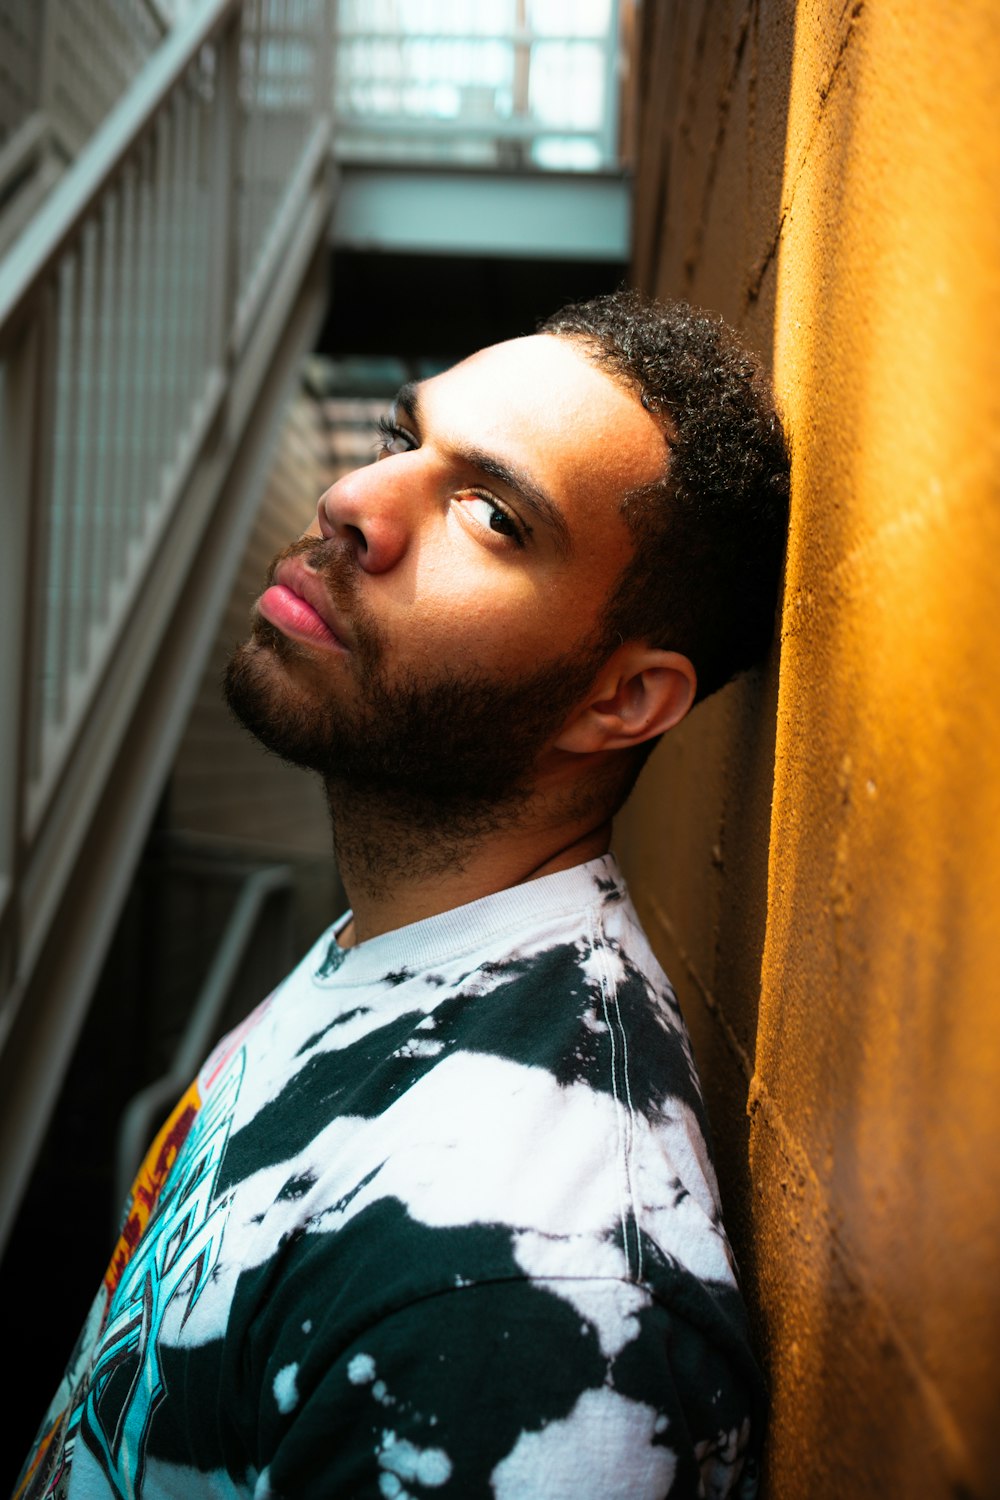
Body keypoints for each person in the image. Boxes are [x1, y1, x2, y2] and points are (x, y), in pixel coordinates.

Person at [15, 288, 789, 1500]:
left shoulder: (525, 1302)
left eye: (488, 513)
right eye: (399, 441)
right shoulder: (405, 936)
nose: (353, 504)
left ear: (622, 698)